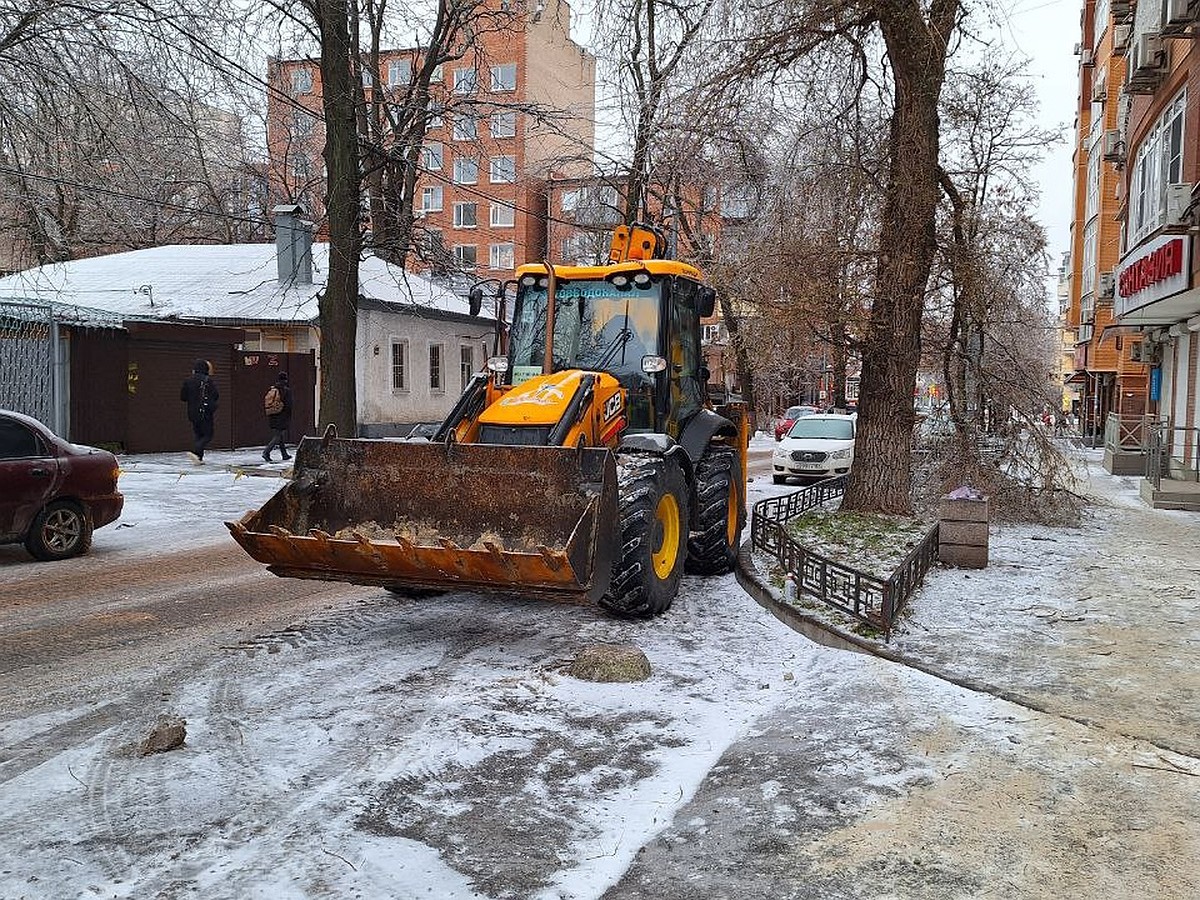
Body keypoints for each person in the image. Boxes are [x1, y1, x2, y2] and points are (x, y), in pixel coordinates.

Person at [180, 359, 218, 463]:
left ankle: (198, 458)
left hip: (192, 412)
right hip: (205, 411)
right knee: (208, 435)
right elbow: (215, 395)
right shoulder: (207, 380)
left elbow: (183, 397)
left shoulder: (188, 381)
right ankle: (196, 452)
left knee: (198, 434)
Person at [263, 371, 293, 462]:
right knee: (278, 436)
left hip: (272, 414)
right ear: (286, 379)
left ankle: (284, 454)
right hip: (282, 416)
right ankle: (266, 452)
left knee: (279, 435)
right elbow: (289, 405)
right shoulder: (286, 390)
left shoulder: (273, 389)